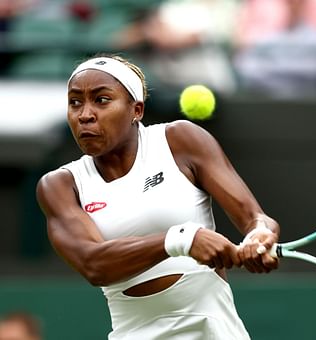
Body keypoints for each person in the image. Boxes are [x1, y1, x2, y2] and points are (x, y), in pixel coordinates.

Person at [35, 54, 280, 339]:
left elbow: (255, 218)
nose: (85, 114)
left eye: (101, 100)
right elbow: (93, 264)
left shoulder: (181, 140)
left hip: (213, 329)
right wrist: (183, 239)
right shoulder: (61, 185)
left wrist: (259, 235)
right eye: (75, 102)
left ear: (136, 110)